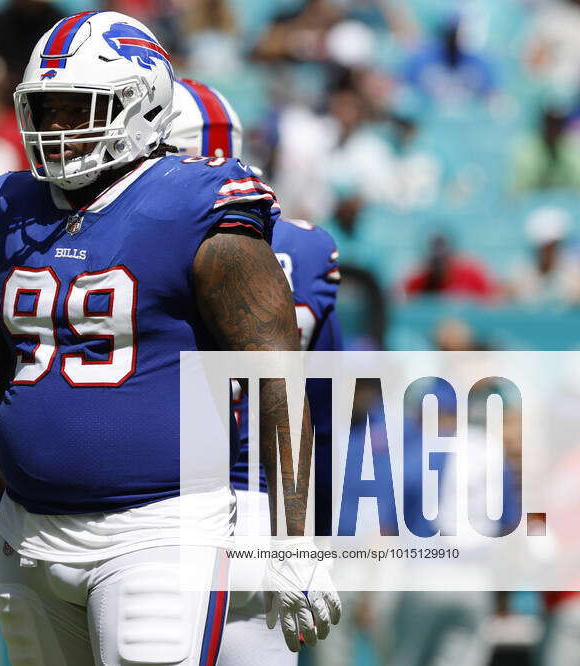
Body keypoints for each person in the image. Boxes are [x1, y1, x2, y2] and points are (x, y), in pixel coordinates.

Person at [0, 11, 339, 665]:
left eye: (76, 107)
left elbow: (278, 379)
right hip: (28, 533)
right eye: (44, 109)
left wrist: (295, 542)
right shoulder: (5, 209)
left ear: (142, 107)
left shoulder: (197, 205)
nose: (56, 129)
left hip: (160, 530)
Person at [169, 78, 343, 666]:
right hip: (267, 505)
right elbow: (321, 398)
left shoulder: (143, 242)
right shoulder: (309, 248)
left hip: (158, 506)